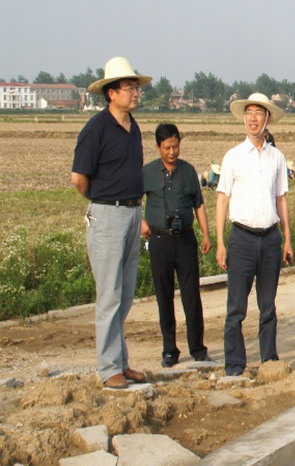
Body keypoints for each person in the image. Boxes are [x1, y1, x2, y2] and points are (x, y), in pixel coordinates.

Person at [70, 57, 151, 389]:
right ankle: (108, 368)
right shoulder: (96, 129)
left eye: (136, 87)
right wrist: (102, 202)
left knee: (125, 294)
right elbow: (79, 179)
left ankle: (121, 362)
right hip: (107, 215)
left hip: (132, 213)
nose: (135, 93)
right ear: (111, 93)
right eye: (129, 88)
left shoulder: (133, 128)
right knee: (109, 295)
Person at [216, 93, 293, 377]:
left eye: (258, 113)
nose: (253, 118)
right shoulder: (233, 156)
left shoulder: (277, 158)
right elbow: (222, 199)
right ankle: (235, 364)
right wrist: (221, 242)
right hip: (242, 239)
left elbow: (281, 199)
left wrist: (287, 238)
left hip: (270, 239)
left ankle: (269, 359)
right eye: (249, 113)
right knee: (236, 307)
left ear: (267, 118)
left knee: (268, 305)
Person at [142, 123, 213, 368]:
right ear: (158, 147)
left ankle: (198, 348)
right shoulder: (148, 172)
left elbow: (199, 205)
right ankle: (169, 350)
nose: (172, 152)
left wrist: (206, 235)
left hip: (185, 240)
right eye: (167, 148)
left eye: (176, 146)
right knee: (164, 296)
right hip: (159, 240)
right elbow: (132, 201)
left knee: (191, 296)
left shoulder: (188, 171)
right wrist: (141, 222)